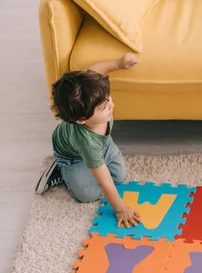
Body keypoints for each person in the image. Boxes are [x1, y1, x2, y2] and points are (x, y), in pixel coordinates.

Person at [35, 53, 143, 228]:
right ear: (82, 119)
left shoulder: (92, 94)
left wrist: (119, 63)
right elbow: (104, 181)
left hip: (104, 145)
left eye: (108, 98)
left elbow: (94, 71)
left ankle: (91, 164)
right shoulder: (86, 142)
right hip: (73, 156)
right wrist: (121, 209)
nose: (111, 105)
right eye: (103, 107)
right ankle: (59, 168)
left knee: (119, 176)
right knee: (86, 195)